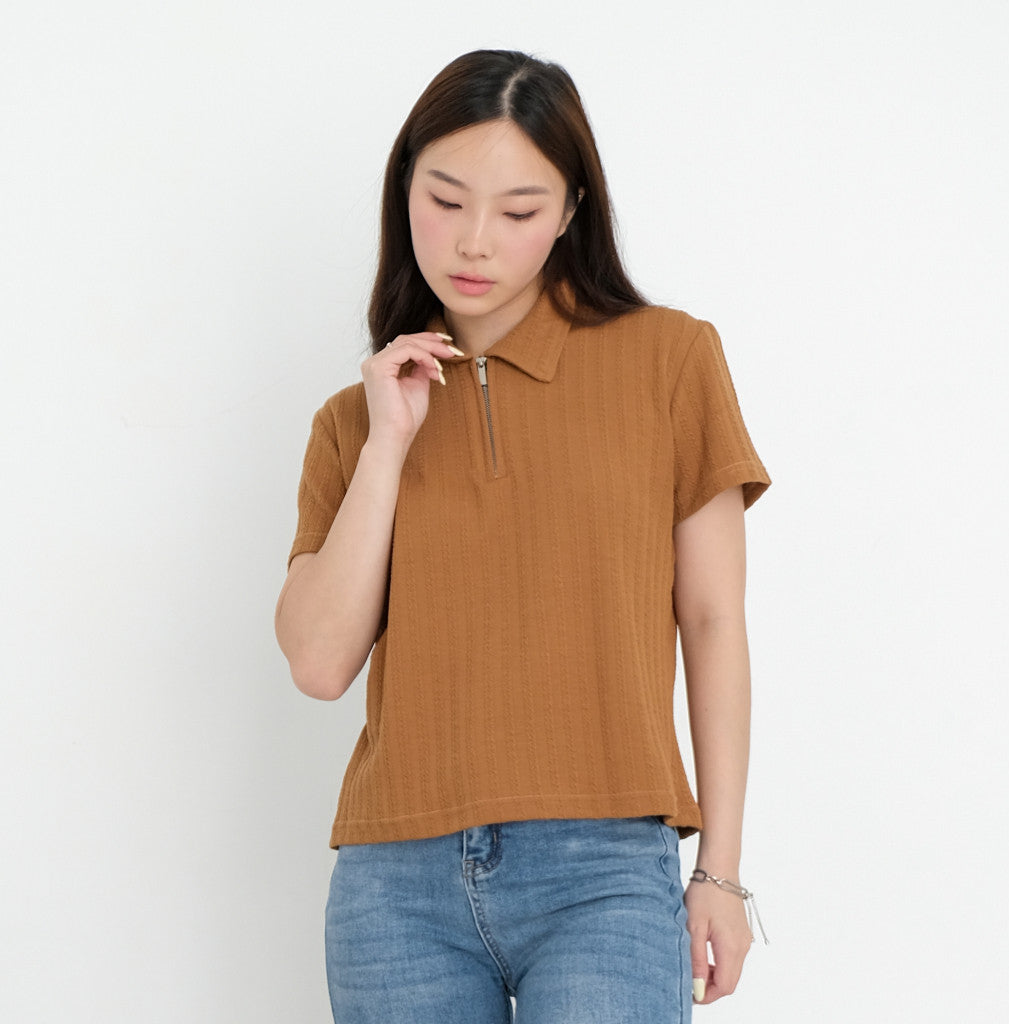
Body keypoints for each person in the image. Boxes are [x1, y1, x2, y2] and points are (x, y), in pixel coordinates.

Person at [275, 49, 770, 1024]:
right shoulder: (353, 421)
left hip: (604, 874)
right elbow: (320, 664)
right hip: (395, 885)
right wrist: (388, 442)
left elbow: (713, 621)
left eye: (518, 211)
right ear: (404, 189)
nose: (473, 242)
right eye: (444, 199)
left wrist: (719, 870)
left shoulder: (669, 360)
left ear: (572, 209)